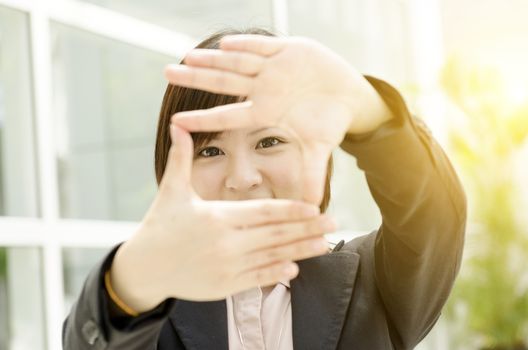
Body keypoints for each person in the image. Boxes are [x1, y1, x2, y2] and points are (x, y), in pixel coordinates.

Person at [62, 27, 466, 350]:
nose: (242, 177)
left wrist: (367, 109)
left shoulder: (375, 282)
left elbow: (431, 215)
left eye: (269, 142)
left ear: (317, 153)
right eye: (211, 150)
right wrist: (134, 278)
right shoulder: (151, 303)